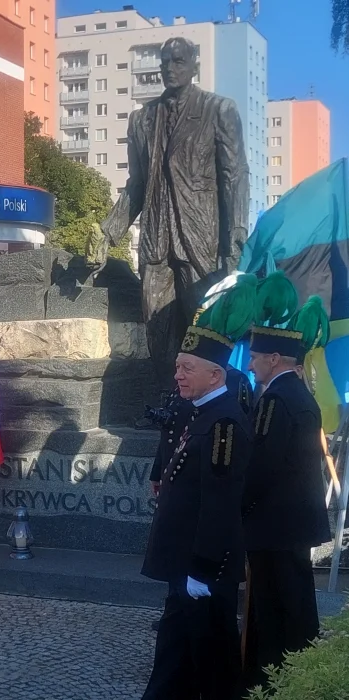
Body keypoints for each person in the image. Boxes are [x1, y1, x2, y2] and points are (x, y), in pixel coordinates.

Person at [94, 37, 250, 390]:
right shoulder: (141, 119)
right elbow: (136, 183)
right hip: (156, 242)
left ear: (195, 64)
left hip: (202, 240)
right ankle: (167, 402)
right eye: (165, 61)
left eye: (178, 61)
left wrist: (237, 229)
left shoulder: (217, 109)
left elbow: (235, 174)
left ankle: (210, 397)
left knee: (204, 327)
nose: (170, 67)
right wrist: (108, 232)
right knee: (157, 329)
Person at [141, 275, 256, 700]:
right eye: (176, 367)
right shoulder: (198, 412)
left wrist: (203, 569)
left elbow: (221, 503)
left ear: (215, 373)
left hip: (201, 567)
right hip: (183, 560)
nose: (178, 376)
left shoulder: (223, 422)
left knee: (212, 661)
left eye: (187, 368)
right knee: (175, 654)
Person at [241, 276, 332, 691]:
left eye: (257, 357)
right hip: (293, 519)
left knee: (279, 606)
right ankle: (298, 673)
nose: (251, 364)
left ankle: (276, 679)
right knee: (294, 600)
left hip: (275, 522)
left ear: (275, 358)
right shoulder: (297, 394)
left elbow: (263, 464)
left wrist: (237, 504)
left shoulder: (276, 399)